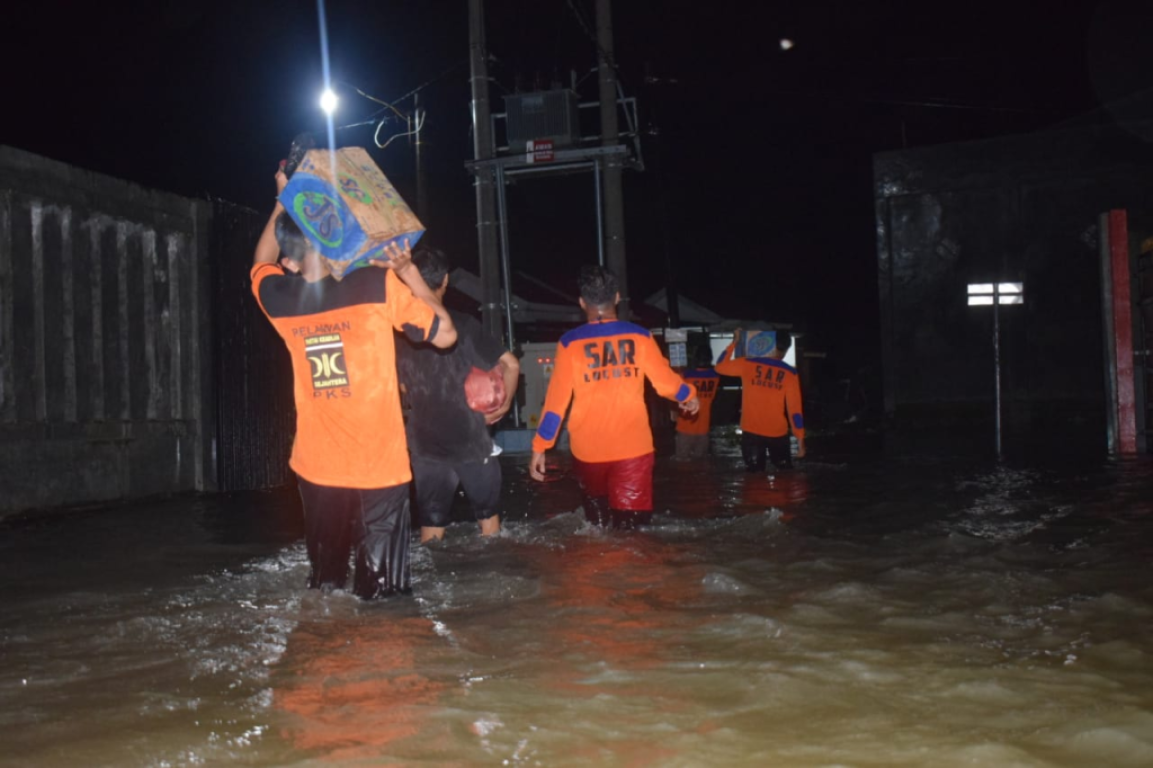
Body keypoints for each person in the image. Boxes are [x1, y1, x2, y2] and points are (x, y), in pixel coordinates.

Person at [250, 168, 456, 599]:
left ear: (289, 261)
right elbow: (446, 335)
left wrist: (282, 200)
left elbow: (259, 263)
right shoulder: (375, 284)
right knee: (383, 600)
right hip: (380, 470)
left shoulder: (280, 301)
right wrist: (409, 273)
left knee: (325, 590)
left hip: (317, 469)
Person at [529, 265, 699, 529]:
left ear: (582, 302)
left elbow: (556, 403)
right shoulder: (640, 337)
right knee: (632, 531)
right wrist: (689, 394)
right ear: (617, 298)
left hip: (587, 452)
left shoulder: (569, 343)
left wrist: (540, 446)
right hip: (633, 450)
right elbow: (666, 384)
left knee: (596, 527)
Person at [396, 247, 520, 543]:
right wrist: (503, 405)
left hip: (425, 445)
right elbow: (511, 364)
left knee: (431, 529)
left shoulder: (400, 332)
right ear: (446, 280)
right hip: (471, 440)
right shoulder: (464, 325)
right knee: (489, 526)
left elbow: (401, 388)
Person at [715, 329, 805, 472]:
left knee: (754, 481)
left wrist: (734, 342)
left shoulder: (747, 363)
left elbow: (719, 367)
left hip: (752, 434)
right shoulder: (790, 372)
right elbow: (795, 409)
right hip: (778, 435)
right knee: (785, 478)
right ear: (785, 350)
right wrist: (800, 441)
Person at [674, 350, 721, 459]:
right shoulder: (715, 376)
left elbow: (676, 392)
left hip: (685, 423)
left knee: (682, 460)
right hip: (704, 425)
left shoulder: (686, 375)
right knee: (701, 461)